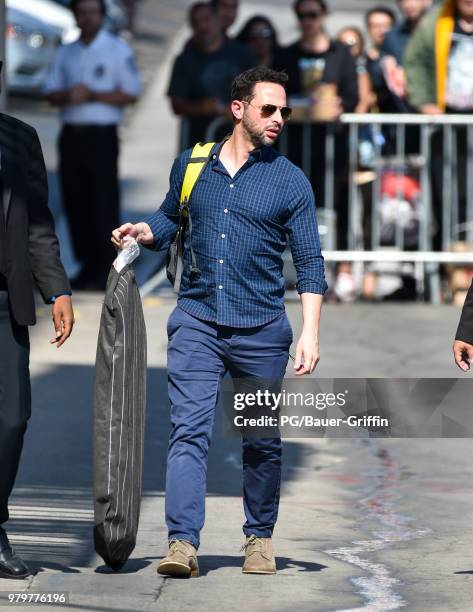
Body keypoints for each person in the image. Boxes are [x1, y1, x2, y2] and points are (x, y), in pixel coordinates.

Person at [112, 66, 327, 576]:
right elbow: (170, 218)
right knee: (188, 432)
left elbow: (311, 263)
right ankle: (182, 543)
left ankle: (258, 538)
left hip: (261, 329)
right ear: (238, 109)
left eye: (285, 112)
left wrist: (311, 332)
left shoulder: (290, 180)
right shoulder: (192, 165)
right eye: (268, 109)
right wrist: (146, 230)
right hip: (198, 321)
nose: (278, 119)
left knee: (261, 441)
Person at [0, 107, 75, 579]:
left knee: (13, 418)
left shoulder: (20, 138)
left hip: (7, 300)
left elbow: (38, 223)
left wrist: (58, 289)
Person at [44, 0, 142, 291]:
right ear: (75, 16)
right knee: (75, 201)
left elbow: (130, 92)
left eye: (92, 12)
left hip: (101, 134)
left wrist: (93, 95)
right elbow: (50, 92)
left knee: (103, 201)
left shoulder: (116, 49)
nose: (87, 18)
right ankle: (86, 265)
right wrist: (68, 95)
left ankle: (105, 267)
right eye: (82, 12)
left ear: (101, 16)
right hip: (72, 132)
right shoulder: (67, 51)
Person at [279, 0, 358, 251]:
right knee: (294, 202)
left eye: (312, 14)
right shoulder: (287, 54)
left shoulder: (340, 53)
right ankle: (293, 262)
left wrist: (338, 105)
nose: (307, 20)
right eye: (302, 15)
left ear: (324, 15)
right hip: (296, 143)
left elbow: (352, 94)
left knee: (336, 201)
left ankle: (340, 264)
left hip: (333, 141)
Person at [405, 0, 473, 249]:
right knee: (447, 193)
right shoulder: (437, 20)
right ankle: (453, 259)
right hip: (446, 120)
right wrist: (424, 102)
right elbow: (415, 62)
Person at [168, 2, 256, 149]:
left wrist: (237, 110)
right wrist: (200, 107)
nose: (202, 26)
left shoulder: (243, 54)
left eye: (206, 19)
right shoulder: (185, 59)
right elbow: (176, 104)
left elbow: (259, 93)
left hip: (240, 145)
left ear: (217, 20)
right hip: (198, 146)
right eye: (196, 22)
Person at [380, 0, 432, 111]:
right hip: (404, 110)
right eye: (404, 1)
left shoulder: (443, 31)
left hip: (439, 111)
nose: (409, 4)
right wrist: (385, 67)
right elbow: (379, 75)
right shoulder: (392, 36)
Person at [364, 6, 397, 111]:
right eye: (376, 26)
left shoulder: (402, 57)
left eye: (386, 26)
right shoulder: (362, 59)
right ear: (368, 28)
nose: (381, 30)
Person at [338, 27, 376, 113]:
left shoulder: (362, 63)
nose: (347, 48)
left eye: (351, 43)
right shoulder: (333, 64)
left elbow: (365, 98)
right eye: (342, 44)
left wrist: (357, 119)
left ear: (360, 44)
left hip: (356, 121)